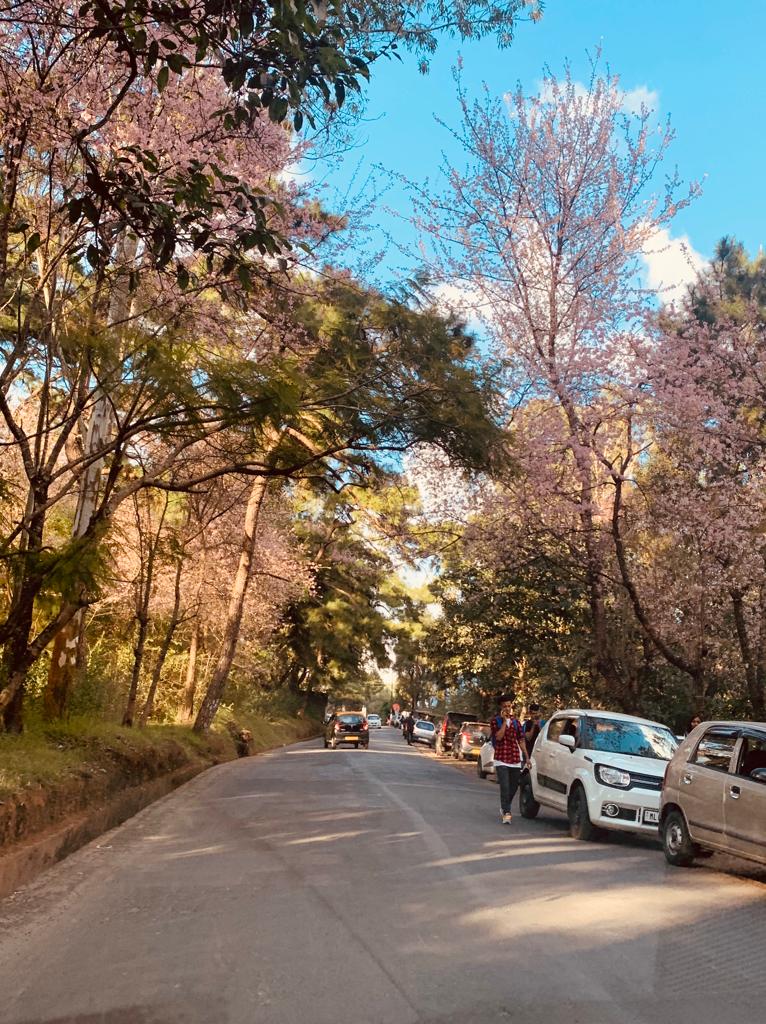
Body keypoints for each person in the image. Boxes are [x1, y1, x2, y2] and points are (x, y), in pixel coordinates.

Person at [490, 695, 530, 824]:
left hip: (514, 758)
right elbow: (499, 737)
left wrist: (527, 756)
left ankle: (505, 806)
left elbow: (521, 739)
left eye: (509, 706)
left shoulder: (516, 722)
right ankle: (507, 812)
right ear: (501, 708)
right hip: (501, 757)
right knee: (505, 787)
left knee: (513, 787)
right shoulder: (496, 721)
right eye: (504, 706)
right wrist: (504, 722)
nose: (507, 708)